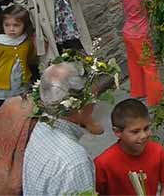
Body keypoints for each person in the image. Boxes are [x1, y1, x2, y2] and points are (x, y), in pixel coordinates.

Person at [23, 60, 110, 195]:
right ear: (78, 106)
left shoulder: (40, 127)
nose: (95, 104)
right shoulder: (74, 162)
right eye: (93, 98)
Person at [95, 99, 164, 196]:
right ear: (117, 132)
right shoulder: (103, 163)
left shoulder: (158, 152)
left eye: (146, 128)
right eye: (135, 131)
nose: (143, 136)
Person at [112, 0, 164, 107]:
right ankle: (156, 98)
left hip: (128, 32)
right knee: (149, 66)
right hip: (139, 34)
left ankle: (138, 92)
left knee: (134, 65)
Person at [0, 4, 34, 127]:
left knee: (20, 112)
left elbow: (29, 57)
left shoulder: (26, 41)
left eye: (16, 25)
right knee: (2, 115)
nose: (11, 29)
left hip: (20, 86)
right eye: (7, 25)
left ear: (24, 25)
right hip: (1, 89)